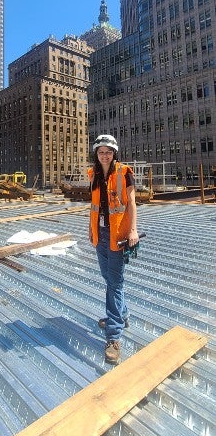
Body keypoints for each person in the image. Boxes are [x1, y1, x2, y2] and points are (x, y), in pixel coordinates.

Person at [88, 134, 139, 364]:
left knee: (114, 283)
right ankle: (122, 314)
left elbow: (131, 204)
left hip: (118, 235)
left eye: (108, 151)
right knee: (108, 277)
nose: (105, 155)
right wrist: (91, 230)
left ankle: (113, 335)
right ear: (96, 155)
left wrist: (133, 231)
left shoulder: (124, 173)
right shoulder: (94, 175)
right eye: (101, 152)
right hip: (100, 234)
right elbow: (94, 206)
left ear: (114, 153)